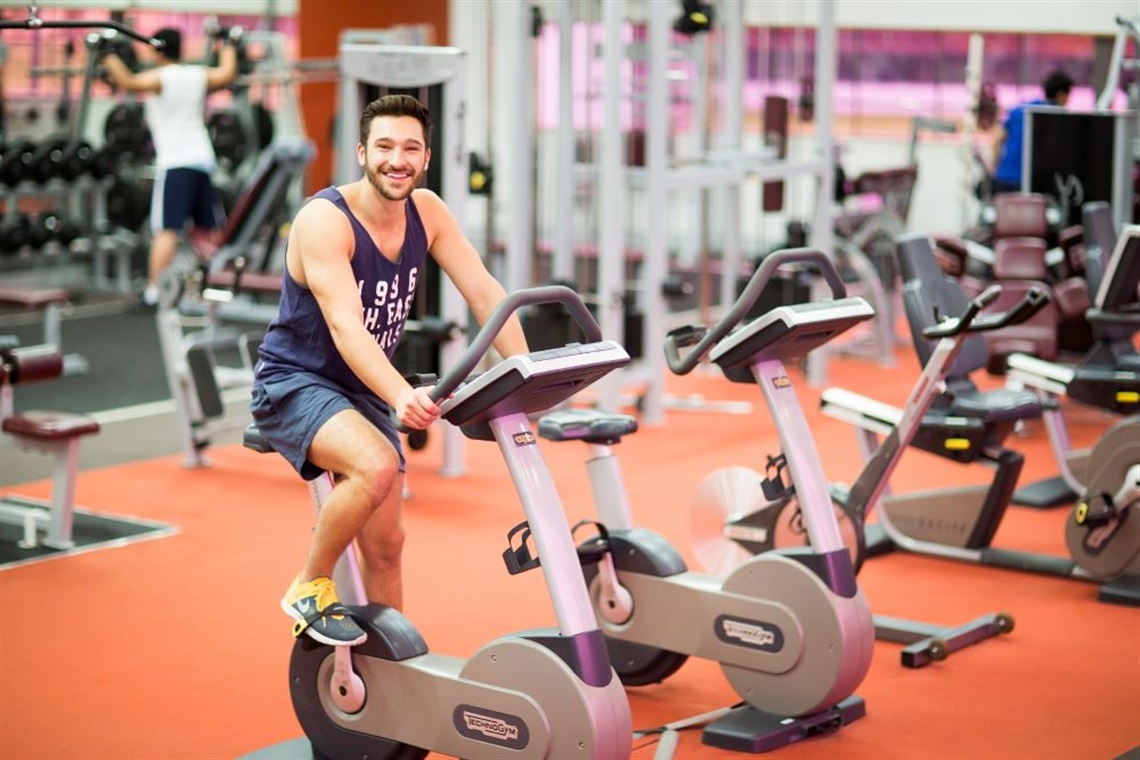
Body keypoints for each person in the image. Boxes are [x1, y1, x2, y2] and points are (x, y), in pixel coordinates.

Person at [251, 94, 530, 646]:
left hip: (360, 391)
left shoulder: (428, 211)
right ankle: (309, 585)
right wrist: (400, 394)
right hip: (296, 383)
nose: (396, 160)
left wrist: (526, 371)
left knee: (387, 544)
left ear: (425, 158)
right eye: (383, 146)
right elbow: (346, 325)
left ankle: (392, 672)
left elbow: (483, 292)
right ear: (361, 152)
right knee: (376, 467)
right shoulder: (324, 220)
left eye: (409, 148)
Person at [99, 27, 239, 308]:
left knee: (166, 230)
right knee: (206, 230)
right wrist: (229, 43)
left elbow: (127, 80)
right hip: (202, 159)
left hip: (175, 162)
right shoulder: (197, 74)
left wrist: (107, 53)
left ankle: (153, 293)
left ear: (157, 49)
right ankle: (215, 285)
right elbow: (226, 73)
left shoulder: (161, 76)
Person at [990, 69, 1073, 195]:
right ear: (1061, 95)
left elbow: (997, 140)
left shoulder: (1019, 110)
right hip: (1032, 183)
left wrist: (994, 170)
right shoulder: (1059, 118)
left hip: (1004, 178)